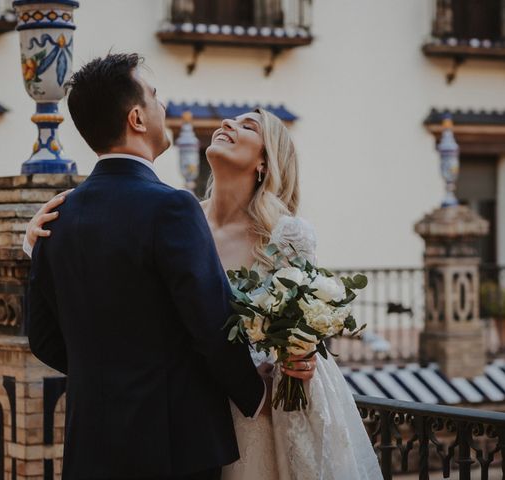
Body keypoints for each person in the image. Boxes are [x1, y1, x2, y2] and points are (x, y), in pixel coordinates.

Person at [25, 53, 317, 480]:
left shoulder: (57, 217)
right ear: (138, 118)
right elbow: (210, 322)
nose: (164, 105)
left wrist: (112, 375)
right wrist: (256, 395)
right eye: (155, 95)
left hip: (91, 444)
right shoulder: (173, 207)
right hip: (171, 446)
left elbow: (44, 338)